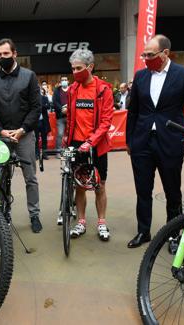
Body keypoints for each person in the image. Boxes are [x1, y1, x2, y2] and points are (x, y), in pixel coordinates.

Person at [125, 35, 184, 249]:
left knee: (172, 192)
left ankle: (173, 234)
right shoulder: (140, 77)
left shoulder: (183, 75)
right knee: (143, 190)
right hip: (142, 142)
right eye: (144, 55)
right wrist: (129, 140)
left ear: (165, 53)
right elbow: (133, 111)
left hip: (170, 142)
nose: (146, 58)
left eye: (150, 55)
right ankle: (143, 231)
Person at [0, 38, 43, 233]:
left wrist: (22, 129)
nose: (2, 57)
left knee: (30, 178)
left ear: (15, 54)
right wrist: (0, 130)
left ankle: (34, 215)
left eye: (6, 54)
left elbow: (36, 107)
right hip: (2, 136)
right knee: (0, 178)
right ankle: (2, 215)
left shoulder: (29, 76)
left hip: (24, 135)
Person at [61, 49, 114, 240]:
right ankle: (81, 222)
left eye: (79, 68)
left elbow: (106, 121)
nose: (75, 72)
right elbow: (70, 118)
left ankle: (101, 222)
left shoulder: (104, 90)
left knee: (99, 185)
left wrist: (90, 141)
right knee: (79, 186)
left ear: (90, 67)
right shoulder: (73, 89)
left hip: (97, 145)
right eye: (73, 68)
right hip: (76, 144)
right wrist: (67, 138)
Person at [52, 76, 69, 154]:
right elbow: (54, 102)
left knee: (71, 135)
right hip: (60, 116)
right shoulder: (57, 91)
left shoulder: (72, 89)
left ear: (68, 81)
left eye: (65, 80)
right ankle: (58, 151)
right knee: (60, 134)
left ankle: (70, 151)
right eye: (63, 80)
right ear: (60, 82)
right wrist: (62, 109)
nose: (64, 81)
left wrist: (68, 108)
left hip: (70, 116)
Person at [35, 83, 51, 160]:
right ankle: (36, 154)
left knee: (44, 139)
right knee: (36, 139)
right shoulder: (32, 99)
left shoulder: (44, 98)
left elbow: (48, 106)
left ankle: (44, 154)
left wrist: (42, 106)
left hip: (43, 121)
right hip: (35, 122)